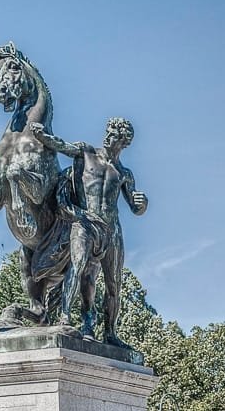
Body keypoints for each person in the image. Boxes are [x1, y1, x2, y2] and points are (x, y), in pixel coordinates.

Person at [28, 117, 147, 346]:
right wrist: (43, 137)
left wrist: (142, 204)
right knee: (78, 266)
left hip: (111, 231)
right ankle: (65, 316)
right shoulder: (86, 153)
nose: (108, 136)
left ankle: (110, 332)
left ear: (123, 142)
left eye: (114, 135)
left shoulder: (124, 173)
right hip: (83, 222)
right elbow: (62, 145)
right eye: (108, 131)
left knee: (114, 284)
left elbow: (135, 205)